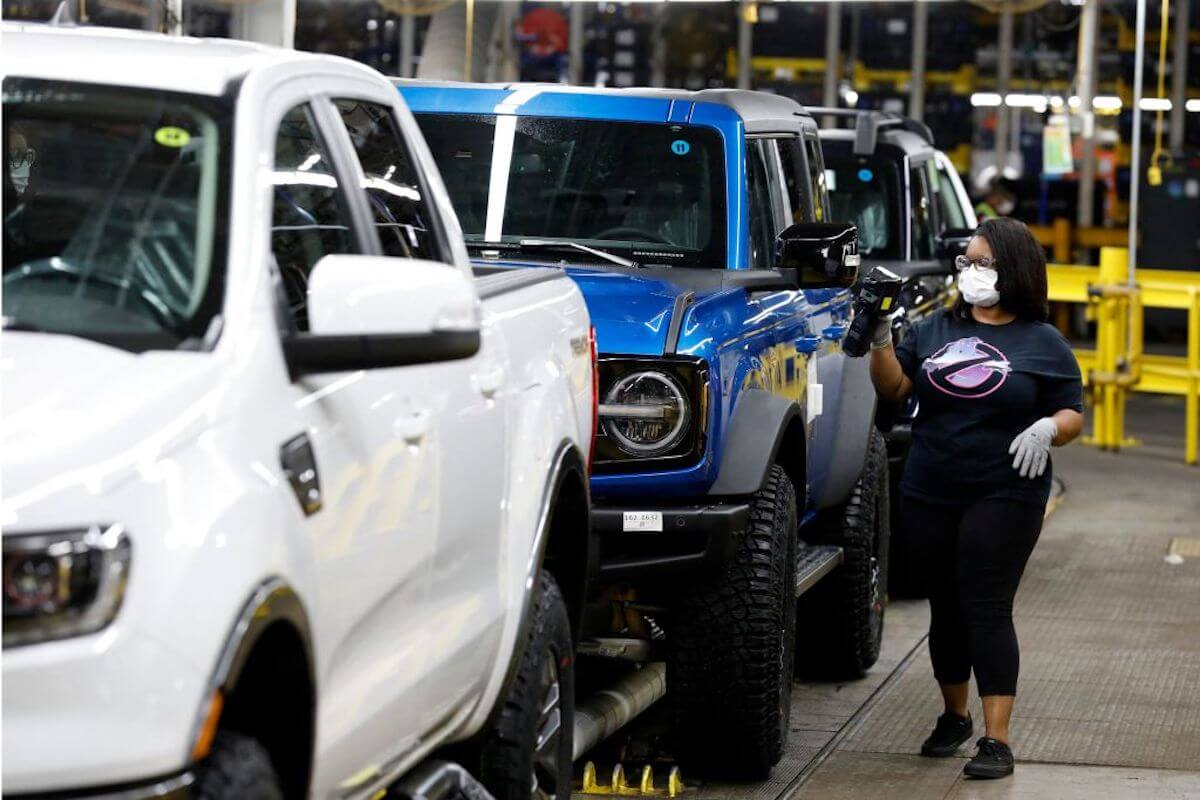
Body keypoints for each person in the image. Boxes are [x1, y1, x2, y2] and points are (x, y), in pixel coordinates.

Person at [867, 217, 1084, 779]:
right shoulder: (936, 328)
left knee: (985, 604)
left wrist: (1047, 430)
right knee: (947, 605)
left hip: (1005, 489)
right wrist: (881, 340)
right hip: (931, 485)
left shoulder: (1043, 341)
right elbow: (894, 389)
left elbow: (1071, 412)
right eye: (965, 262)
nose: (970, 271)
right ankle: (953, 715)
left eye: (982, 262)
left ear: (1011, 269)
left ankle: (997, 740)